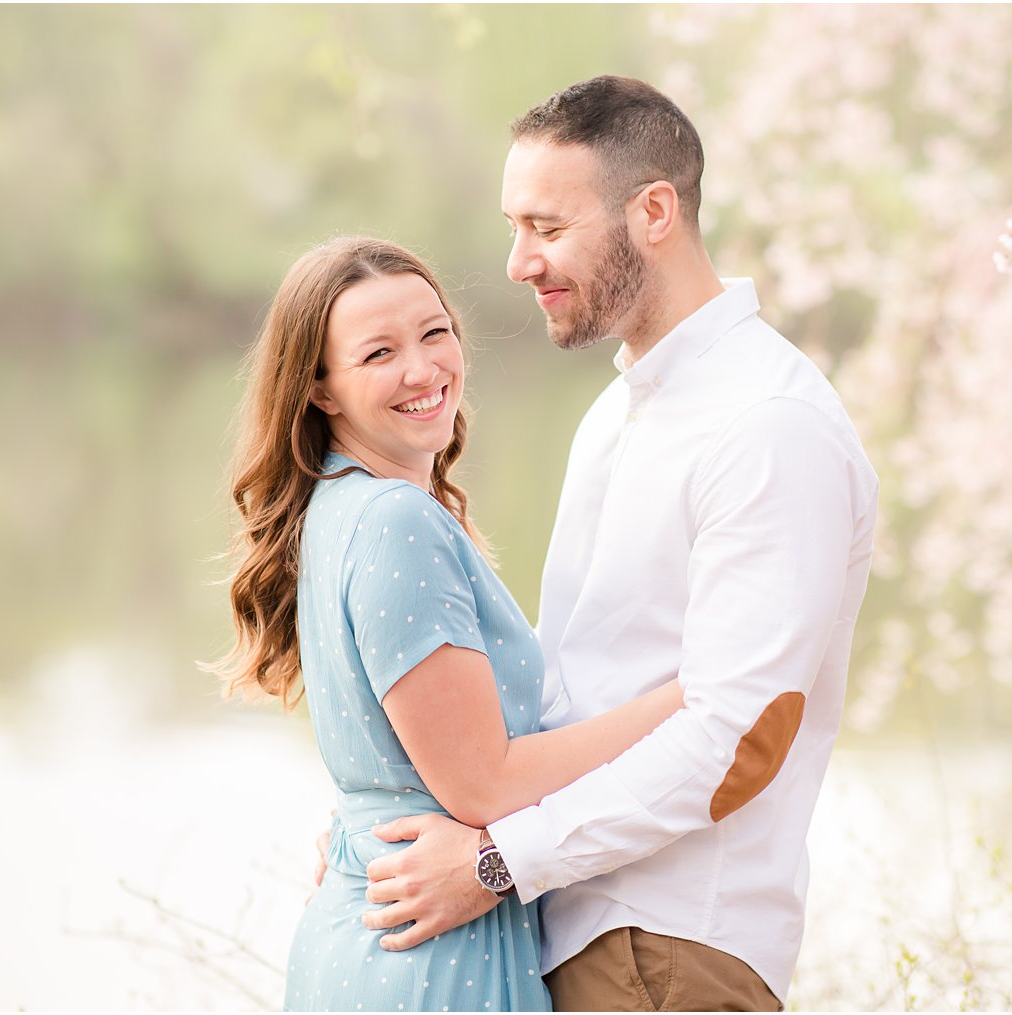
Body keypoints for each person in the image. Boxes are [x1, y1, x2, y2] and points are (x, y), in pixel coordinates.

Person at [353, 77, 879, 1011]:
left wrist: (494, 861)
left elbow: (741, 738)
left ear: (654, 213)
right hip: (572, 931)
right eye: (515, 227)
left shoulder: (766, 426)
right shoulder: (617, 412)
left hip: (670, 948)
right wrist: (399, 825)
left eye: (547, 228)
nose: (518, 262)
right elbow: (574, 695)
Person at [208, 236, 686, 1012]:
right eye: (379, 353)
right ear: (321, 389)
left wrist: (366, 824)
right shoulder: (394, 519)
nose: (425, 370)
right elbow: (481, 781)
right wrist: (683, 699)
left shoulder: (338, 504)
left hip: (379, 931)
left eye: (435, 334)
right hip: (427, 957)